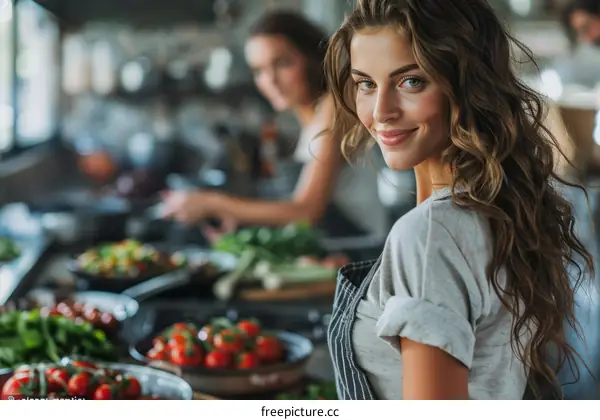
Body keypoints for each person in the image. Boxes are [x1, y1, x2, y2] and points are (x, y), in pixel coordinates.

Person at [324, 0, 594, 400]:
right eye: (366, 83)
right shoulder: (495, 206)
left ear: (466, 86)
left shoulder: (429, 234)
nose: (380, 111)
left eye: (410, 81)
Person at [161, 10, 388, 242]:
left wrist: (212, 202)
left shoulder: (333, 110)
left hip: (359, 257)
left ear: (312, 58)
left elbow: (306, 211)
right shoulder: (311, 121)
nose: (270, 81)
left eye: (282, 63)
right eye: (259, 70)